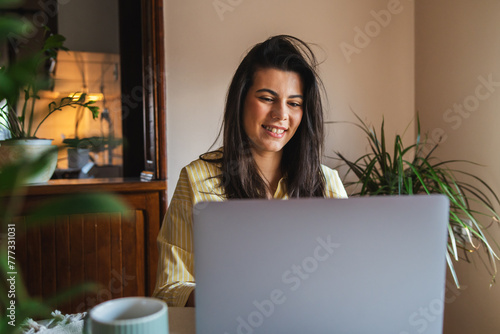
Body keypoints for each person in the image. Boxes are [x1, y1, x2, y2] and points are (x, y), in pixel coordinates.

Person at [152, 35, 348, 307]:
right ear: (241, 100)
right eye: (268, 98)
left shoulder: (327, 182)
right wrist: (223, 296)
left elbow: (347, 275)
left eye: (294, 103)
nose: (281, 114)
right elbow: (168, 288)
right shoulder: (196, 179)